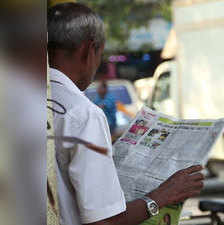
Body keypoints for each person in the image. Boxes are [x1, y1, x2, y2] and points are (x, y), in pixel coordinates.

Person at [48, 3, 204, 225]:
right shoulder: (82, 114)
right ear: (88, 50)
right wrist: (162, 196)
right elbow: (104, 221)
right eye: (101, 54)